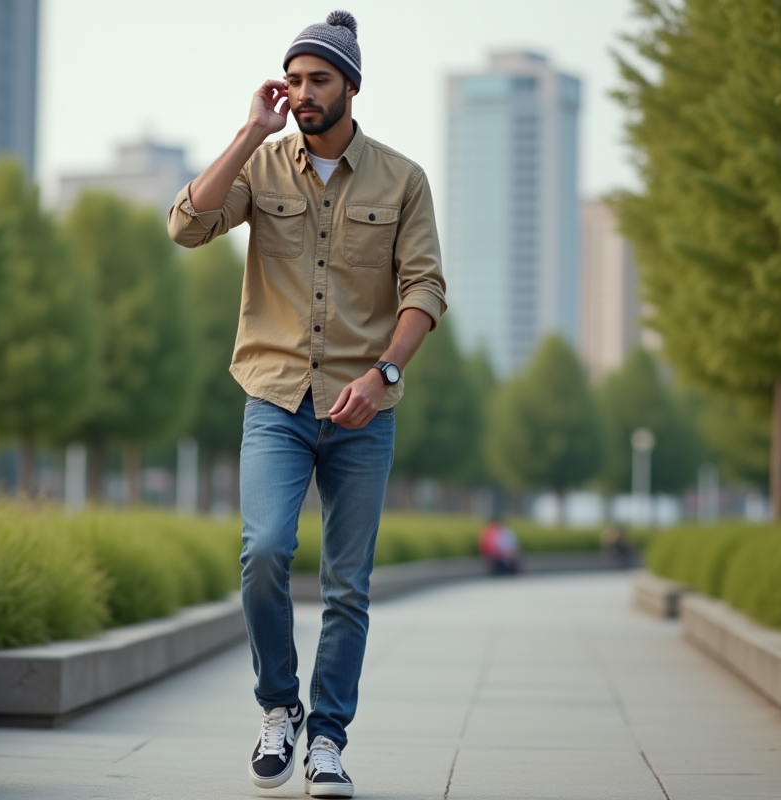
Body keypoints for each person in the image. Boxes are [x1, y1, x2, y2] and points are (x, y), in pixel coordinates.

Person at [167, 10, 446, 797]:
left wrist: (385, 374)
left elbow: (424, 287)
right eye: (292, 80)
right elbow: (186, 225)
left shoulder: (403, 179)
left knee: (348, 586)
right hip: (276, 400)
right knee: (262, 553)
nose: (302, 93)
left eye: (317, 79)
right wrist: (247, 132)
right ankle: (277, 709)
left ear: (351, 86)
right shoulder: (263, 167)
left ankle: (327, 738)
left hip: (364, 414)